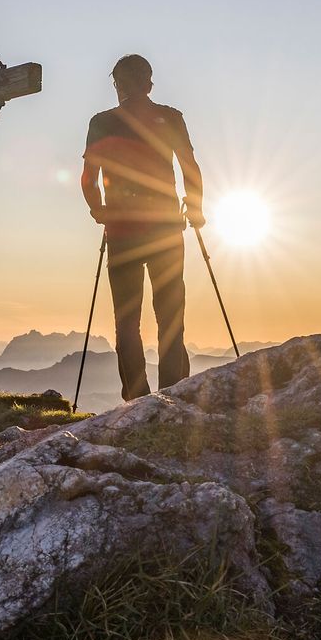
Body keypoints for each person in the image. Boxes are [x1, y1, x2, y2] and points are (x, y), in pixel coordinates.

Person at [80, 54, 205, 399]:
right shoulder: (170, 118)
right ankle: (173, 392)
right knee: (170, 314)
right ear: (149, 84)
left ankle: (136, 398)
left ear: (117, 85)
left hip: (122, 233)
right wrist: (195, 209)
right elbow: (190, 168)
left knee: (127, 320)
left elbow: (89, 177)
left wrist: (99, 210)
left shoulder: (102, 122)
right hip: (166, 229)